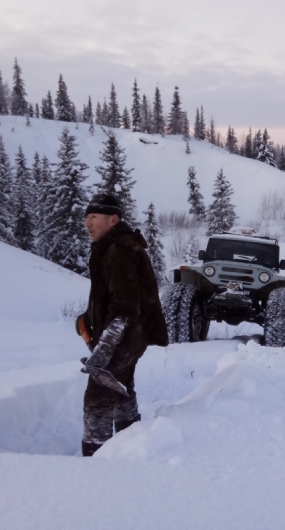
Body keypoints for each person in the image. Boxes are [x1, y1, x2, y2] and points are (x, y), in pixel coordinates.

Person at [76, 193, 168, 456]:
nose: (87, 223)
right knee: (121, 389)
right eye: (87, 217)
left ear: (112, 219)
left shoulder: (121, 250)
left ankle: (95, 457)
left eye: (93, 217)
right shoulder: (110, 247)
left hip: (125, 337)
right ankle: (131, 445)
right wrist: (87, 318)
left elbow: (125, 308)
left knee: (98, 396)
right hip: (127, 336)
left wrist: (104, 348)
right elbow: (114, 297)